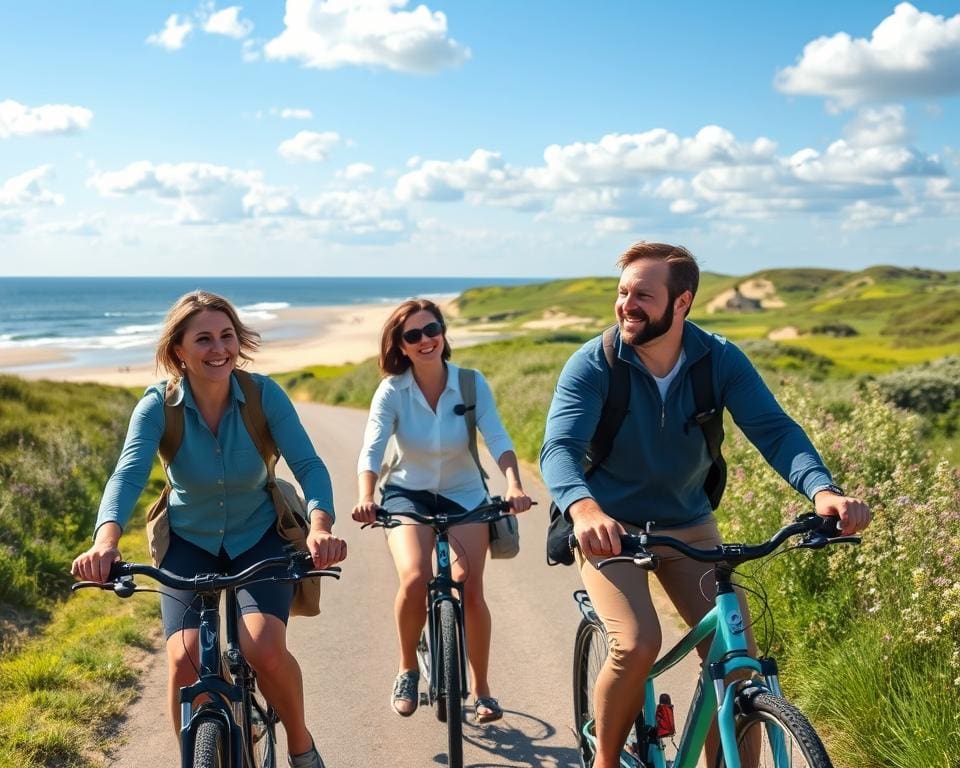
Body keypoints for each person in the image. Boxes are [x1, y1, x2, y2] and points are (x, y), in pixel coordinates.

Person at [539, 242, 871, 768]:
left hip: (689, 525)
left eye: (643, 295)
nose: (627, 304)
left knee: (740, 666)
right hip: (612, 529)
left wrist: (822, 490)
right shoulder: (594, 363)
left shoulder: (717, 360)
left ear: (682, 302)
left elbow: (775, 431)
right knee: (637, 642)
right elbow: (559, 448)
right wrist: (583, 509)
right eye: (622, 292)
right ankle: (604, 760)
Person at [71, 290, 345, 768]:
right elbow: (128, 474)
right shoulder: (158, 405)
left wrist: (319, 526)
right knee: (184, 661)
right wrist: (105, 541)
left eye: (227, 336)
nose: (219, 349)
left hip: (259, 537)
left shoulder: (263, 396)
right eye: (203, 339)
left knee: (263, 647)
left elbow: (309, 465)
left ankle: (302, 747)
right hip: (188, 542)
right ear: (179, 350)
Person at [351, 298, 532, 723]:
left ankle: (483, 690)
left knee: (470, 588)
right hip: (406, 495)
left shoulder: (470, 384)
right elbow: (372, 448)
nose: (425, 340)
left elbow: (499, 438)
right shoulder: (393, 390)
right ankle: (407, 669)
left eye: (431, 329)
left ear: (443, 332)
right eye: (412, 335)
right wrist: (366, 495)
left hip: (465, 494)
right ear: (401, 345)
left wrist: (515, 484)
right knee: (415, 577)